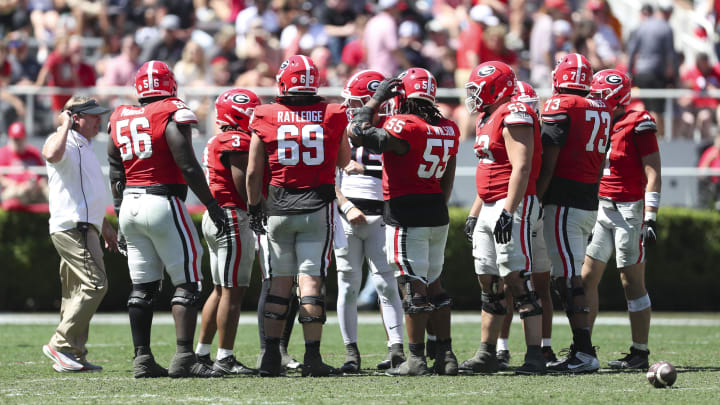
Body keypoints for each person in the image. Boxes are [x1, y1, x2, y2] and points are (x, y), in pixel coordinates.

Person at [107, 61, 227, 379]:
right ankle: (185, 356)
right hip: (163, 201)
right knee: (187, 280)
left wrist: (119, 214)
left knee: (142, 286)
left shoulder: (120, 116)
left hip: (130, 203)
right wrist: (212, 204)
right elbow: (187, 163)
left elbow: (116, 171)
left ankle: (142, 358)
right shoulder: (171, 110)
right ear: (169, 84)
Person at [349, 68, 460, 376]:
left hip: (405, 213)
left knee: (412, 288)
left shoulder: (404, 125)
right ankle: (446, 355)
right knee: (434, 284)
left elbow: (357, 130)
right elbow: (448, 176)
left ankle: (416, 358)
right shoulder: (449, 127)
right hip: (437, 212)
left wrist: (376, 99)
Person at [246, 54, 350, 377]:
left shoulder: (265, 114)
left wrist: (253, 207)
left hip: (277, 207)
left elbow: (252, 172)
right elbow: (344, 160)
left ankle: (270, 358)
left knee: (278, 284)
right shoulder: (332, 113)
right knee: (311, 283)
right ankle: (312, 358)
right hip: (317, 207)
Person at [458, 62, 545, 375]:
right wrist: (475, 212)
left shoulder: (514, 113)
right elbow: (491, 170)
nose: (474, 95)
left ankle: (535, 354)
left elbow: (520, 167)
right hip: (491, 204)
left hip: (513, 204)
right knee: (488, 278)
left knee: (515, 277)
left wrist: (509, 211)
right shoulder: (488, 116)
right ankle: (487, 353)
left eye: (478, 88)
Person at [536, 53, 611, 373]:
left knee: (568, 279)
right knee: (566, 276)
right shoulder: (602, 108)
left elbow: (550, 161)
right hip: (586, 199)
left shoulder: (561, 105)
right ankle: (581, 349)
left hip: (564, 200)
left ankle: (584, 351)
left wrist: (535, 199)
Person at [582, 70, 662, 370]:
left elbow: (653, 170)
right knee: (587, 277)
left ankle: (640, 352)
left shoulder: (638, 122)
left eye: (600, 95)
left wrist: (651, 216)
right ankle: (583, 347)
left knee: (631, 282)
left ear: (617, 97)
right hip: (601, 207)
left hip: (629, 208)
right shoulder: (598, 123)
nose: (594, 100)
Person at [334, 69, 406, 373]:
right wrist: (345, 204)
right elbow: (326, 176)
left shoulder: (396, 127)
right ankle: (351, 352)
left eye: (356, 102)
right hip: (347, 215)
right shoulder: (342, 129)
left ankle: (397, 349)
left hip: (383, 216)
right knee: (348, 287)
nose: (350, 107)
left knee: (387, 284)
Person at [40, 96, 118, 372]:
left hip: (86, 228)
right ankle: (60, 344)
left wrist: (104, 225)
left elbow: (90, 194)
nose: (99, 120)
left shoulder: (85, 146)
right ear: (75, 117)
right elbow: (50, 155)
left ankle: (74, 354)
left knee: (75, 292)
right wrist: (63, 125)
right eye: (92, 115)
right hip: (72, 228)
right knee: (96, 284)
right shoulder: (61, 139)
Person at [484, 81, 558, 369]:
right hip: (518, 205)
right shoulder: (508, 124)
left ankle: (544, 348)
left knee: (537, 283)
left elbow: (540, 171)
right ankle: (501, 347)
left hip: (528, 208)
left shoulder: (533, 129)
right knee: (506, 280)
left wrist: (532, 202)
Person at [193, 89, 261, 376]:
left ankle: (202, 353)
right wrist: (260, 207)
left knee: (220, 290)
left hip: (215, 216)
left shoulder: (216, 138)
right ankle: (225, 358)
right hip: (232, 216)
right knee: (233, 293)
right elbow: (242, 181)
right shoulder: (236, 140)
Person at [0, 121, 48, 205]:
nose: (18, 142)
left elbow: (43, 175)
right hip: (15, 189)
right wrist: (18, 185)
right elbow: (1, 178)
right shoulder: (3, 153)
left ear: (25, 138)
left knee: (49, 190)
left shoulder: (34, 152)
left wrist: (39, 183)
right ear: (10, 138)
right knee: (15, 191)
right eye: (15, 139)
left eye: (20, 138)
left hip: (35, 190)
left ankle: (63, 214)